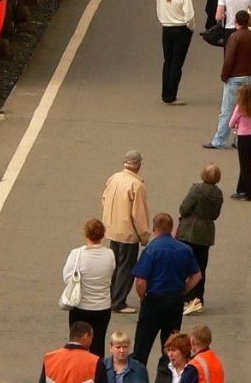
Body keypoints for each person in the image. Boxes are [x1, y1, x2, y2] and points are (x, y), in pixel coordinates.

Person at [131, 214, 202, 375]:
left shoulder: (151, 249)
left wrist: (143, 298)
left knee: (142, 346)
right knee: (171, 346)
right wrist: (183, 290)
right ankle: (165, 377)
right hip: (175, 300)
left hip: (154, 300)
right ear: (171, 228)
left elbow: (141, 281)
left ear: (154, 228)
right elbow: (197, 275)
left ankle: (138, 377)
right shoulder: (184, 249)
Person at [204, 9, 251, 149]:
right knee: (245, 108)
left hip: (236, 77)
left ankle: (219, 140)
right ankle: (239, 139)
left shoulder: (235, 37)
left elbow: (229, 59)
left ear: (236, 21)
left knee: (227, 111)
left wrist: (224, 75)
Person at [102, 151, 152, 313]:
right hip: (128, 233)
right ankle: (118, 301)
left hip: (112, 229)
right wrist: (144, 235)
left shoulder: (113, 178)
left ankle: (110, 296)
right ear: (138, 165)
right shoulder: (136, 185)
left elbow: (104, 200)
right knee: (126, 268)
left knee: (115, 266)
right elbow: (139, 214)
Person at [62, 218, 118, 357]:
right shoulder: (110, 254)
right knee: (98, 346)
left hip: (81, 307)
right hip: (102, 307)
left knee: (77, 346)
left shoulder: (77, 254)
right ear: (103, 235)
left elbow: (67, 278)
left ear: (86, 233)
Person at [177, 165, 223, 317]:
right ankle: (198, 298)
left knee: (184, 264)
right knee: (200, 266)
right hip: (206, 232)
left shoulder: (196, 189)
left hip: (190, 230)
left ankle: (186, 296)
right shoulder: (218, 193)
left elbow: (184, 208)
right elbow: (215, 215)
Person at [156, 0, 195, 105]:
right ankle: (171, 95)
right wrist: (191, 28)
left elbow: (158, 5)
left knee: (168, 61)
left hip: (166, 27)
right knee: (177, 63)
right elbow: (189, 16)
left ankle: (165, 93)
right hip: (181, 29)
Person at [41, 321, 108, 383]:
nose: (91, 341)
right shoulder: (96, 362)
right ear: (85, 336)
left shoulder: (49, 359)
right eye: (91, 337)